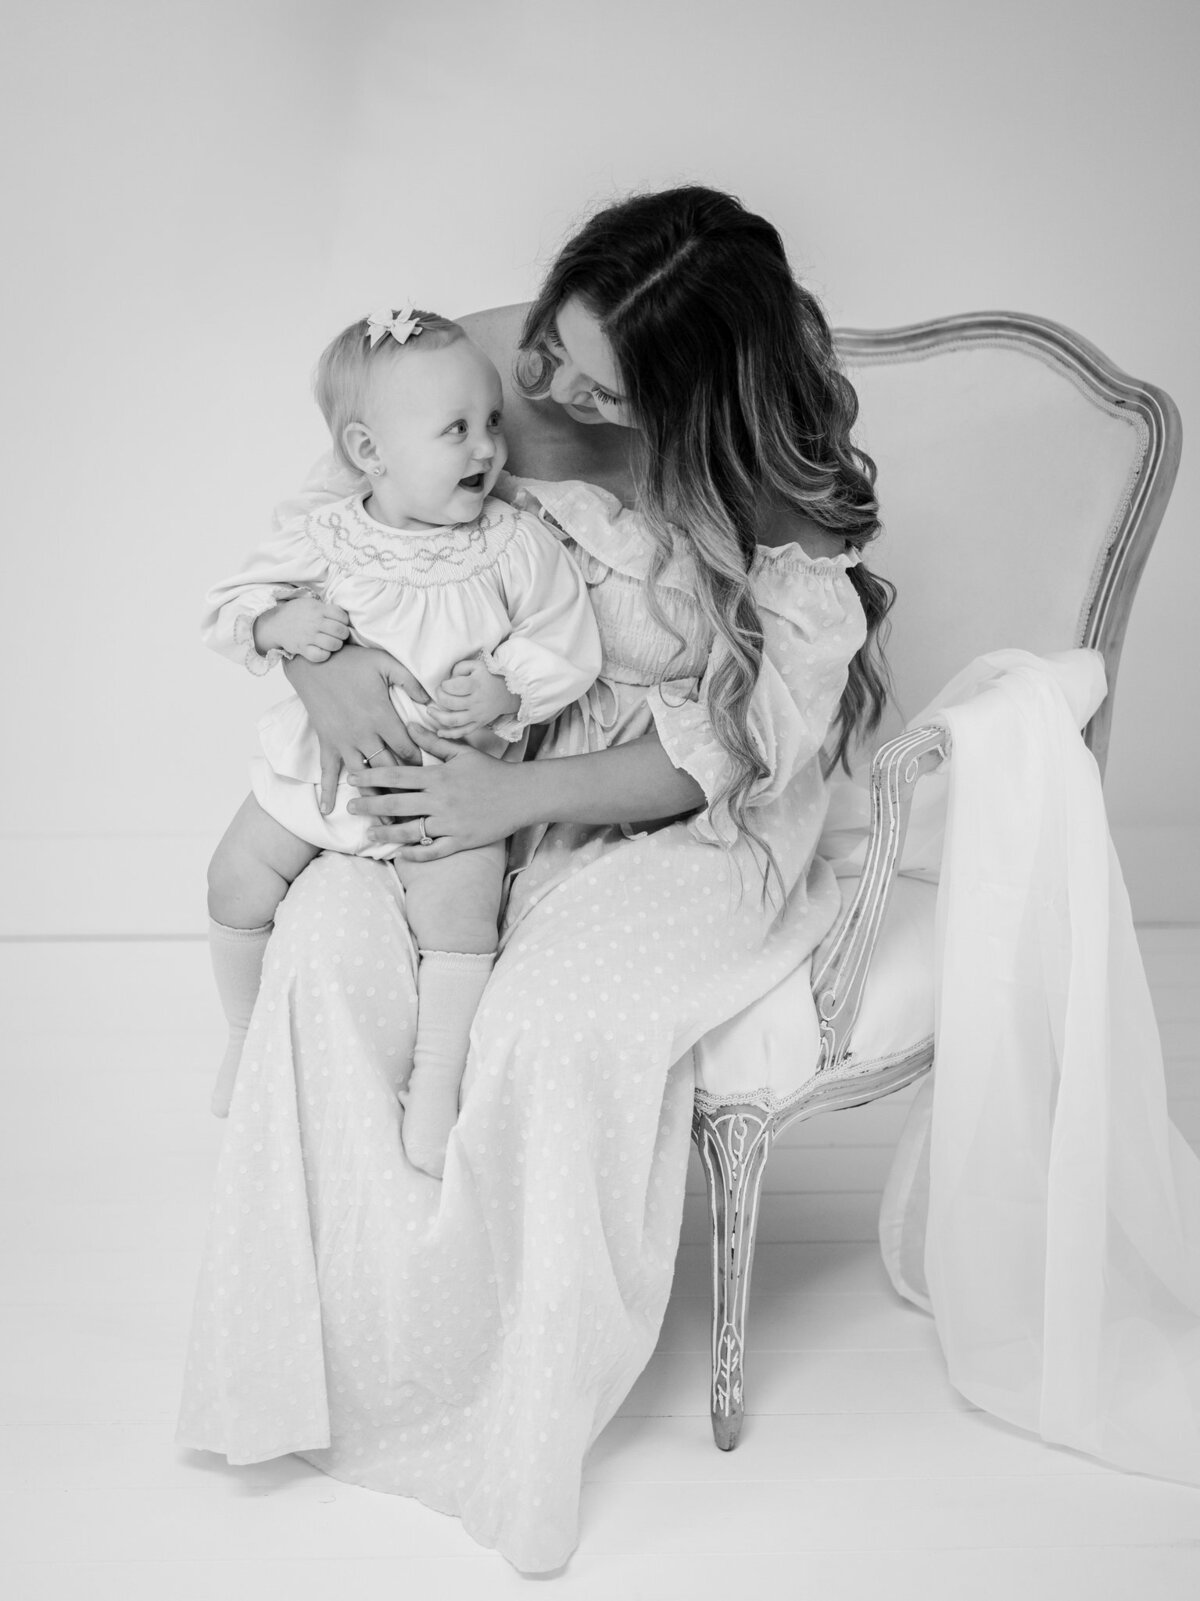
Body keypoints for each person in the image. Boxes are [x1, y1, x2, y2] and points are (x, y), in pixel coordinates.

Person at [177, 186, 893, 1572]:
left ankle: (495, 1397)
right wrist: (322, 674)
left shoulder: (785, 519)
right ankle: (336, 1350)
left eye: (587, 381)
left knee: (550, 1024)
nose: (541, 387)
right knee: (326, 946)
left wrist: (504, 797)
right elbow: (333, 529)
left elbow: (714, 759)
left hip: (678, 813)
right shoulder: (493, 361)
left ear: (686, 403)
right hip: (490, 740)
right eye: (552, 342)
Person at [200, 307, 602, 1172]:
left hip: (447, 790)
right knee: (233, 876)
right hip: (321, 778)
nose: (487, 448)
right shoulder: (326, 536)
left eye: (491, 422)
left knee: (460, 917)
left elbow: (571, 643)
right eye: (455, 430)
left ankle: (437, 1079)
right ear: (371, 453)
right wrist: (277, 622)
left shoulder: (514, 545)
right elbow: (227, 607)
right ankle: (244, 1032)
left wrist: (509, 683)